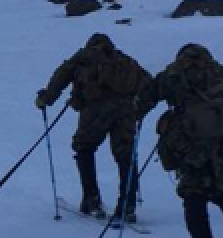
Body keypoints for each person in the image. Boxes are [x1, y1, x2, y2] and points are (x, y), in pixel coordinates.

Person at [139, 43, 223, 238]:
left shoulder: (173, 74)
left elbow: (147, 96)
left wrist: (137, 112)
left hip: (189, 147)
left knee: (194, 197)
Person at [36, 33, 152, 221]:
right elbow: (148, 83)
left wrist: (46, 99)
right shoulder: (123, 59)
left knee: (84, 147)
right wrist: (140, 110)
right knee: (125, 154)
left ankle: (92, 198)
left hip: (95, 110)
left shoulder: (84, 57)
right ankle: (128, 205)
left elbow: (61, 75)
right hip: (125, 112)